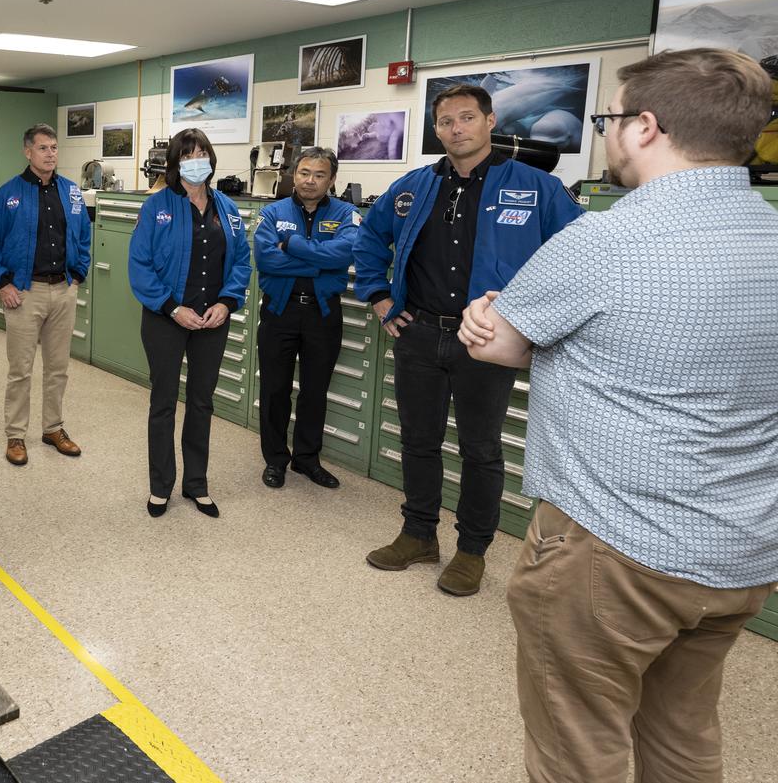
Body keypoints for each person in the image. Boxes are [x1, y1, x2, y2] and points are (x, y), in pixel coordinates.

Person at [458, 48, 778, 783]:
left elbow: (500, 342)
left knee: (578, 745)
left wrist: (489, 316)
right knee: (683, 732)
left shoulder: (605, 239)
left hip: (614, 549)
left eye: (610, 118)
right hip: (740, 551)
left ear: (645, 127)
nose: (606, 133)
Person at [352, 83, 582, 595]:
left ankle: (472, 550)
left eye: (467, 118)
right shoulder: (414, 186)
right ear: (436, 130)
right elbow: (369, 237)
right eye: (446, 121)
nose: (457, 129)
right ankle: (418, 534)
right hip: (419, 334)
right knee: (418, 441)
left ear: (490, 121)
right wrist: (379, 296)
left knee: (480, 449)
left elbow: (578, 253)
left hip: (487, 341)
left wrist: (534, 321)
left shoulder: (535, 187)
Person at [129, 128, 252, 518]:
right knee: (163, 402)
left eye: (201, 153)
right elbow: (140, 265)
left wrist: (227, 303)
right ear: (175, 163)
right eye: (187, 155)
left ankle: (196, 484)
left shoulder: (226, 208)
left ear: (211, 159)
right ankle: (160, 486)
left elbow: (241, 261)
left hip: (212, 320)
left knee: (201, 402)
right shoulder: (157, 206)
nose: (196, 161)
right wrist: (171, 307)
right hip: (166, 318)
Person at [0, 124, 92, 467]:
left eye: (54, 147)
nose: (50, 154)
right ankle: (15, 434)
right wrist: (3, 284)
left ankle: (53, 428)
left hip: (63, 290)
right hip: (26, 293)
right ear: (28, 152)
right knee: (21, 370)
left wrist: (78, 275)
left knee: (58, 368)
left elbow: (84, 236)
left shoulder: (71, 192)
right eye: (43, 148)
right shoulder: (7, 195)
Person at [253, 147, 361, 490]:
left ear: (332, 179)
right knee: (275, 389)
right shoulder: (272, 213)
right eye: (304, 173)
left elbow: (345, 253)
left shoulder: (347, 213)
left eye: (319, 174)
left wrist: (293, 246)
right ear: (294, 175)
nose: (310, 180)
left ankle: (307, 459)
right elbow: (266, 260)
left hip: (322, 313)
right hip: (279, 311)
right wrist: (320, 263)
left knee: (315, 391)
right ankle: (275, 460)